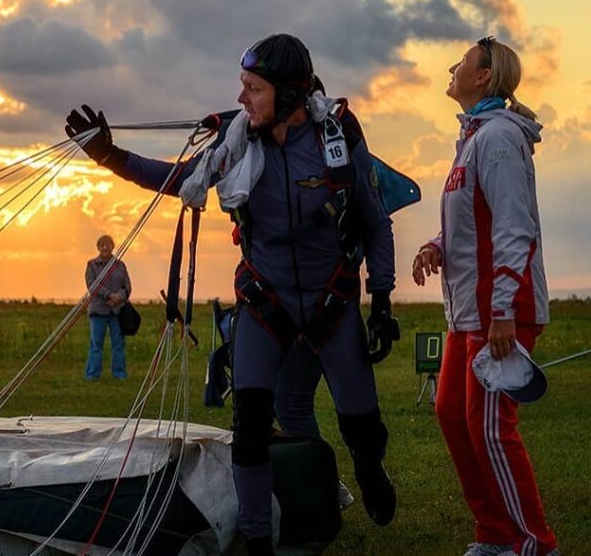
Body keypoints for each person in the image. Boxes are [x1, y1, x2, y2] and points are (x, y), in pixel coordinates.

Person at [66, 33, 399, 556]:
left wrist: (380, 300)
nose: (241, 98)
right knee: (248, 427)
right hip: (266, 305)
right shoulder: (236, 143)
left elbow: (374, 222)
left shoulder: (338, 138)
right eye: (241, 86)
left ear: (288, 94)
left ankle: (367, 465)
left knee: (361, 421)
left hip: (331, 302)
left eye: (253, 88)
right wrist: (109, 155)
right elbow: (180, 178)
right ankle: (258, 540)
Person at [413, 37, 559, 556]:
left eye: (462, 63)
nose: (451, 67)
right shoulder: (473, 139)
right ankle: (494, 534)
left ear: (484, 77)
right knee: (453, 415)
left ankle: (534, 544)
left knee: (492, 429)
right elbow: (474, 220)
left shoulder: (497, 138)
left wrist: (502, 312)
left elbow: (515, 229)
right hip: (466, 313)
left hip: (499, 312)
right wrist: (435, 244)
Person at [84, 234, 131, 381]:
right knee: (96, 344)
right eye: (102, 245)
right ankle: (93, 375)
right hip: (98, 311)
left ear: (112, 247)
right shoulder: (91, 265)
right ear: (98, 247)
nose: (105, 247)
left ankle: (119, 374)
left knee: (118, 344)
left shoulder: (120, 265)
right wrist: (109, 295)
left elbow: (127, 286)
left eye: (108, 245)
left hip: (117, 311)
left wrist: (119, 297)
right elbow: (93, 285)